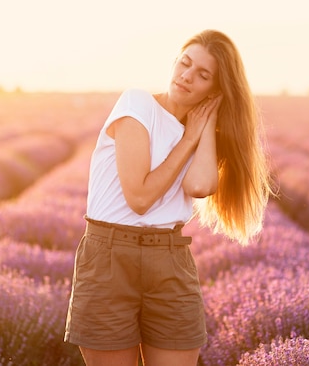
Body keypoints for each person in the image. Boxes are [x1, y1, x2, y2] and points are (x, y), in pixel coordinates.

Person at [64, 29, 272, 366]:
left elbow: (201, 186)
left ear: (216, 91)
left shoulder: (202, 129)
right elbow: (140, 197)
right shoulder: (137, 103)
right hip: (110, 259)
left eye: (203, 75)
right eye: (185, 63)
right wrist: (189, 138)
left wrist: (207, 123)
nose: (187, 76)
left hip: (170, 259)